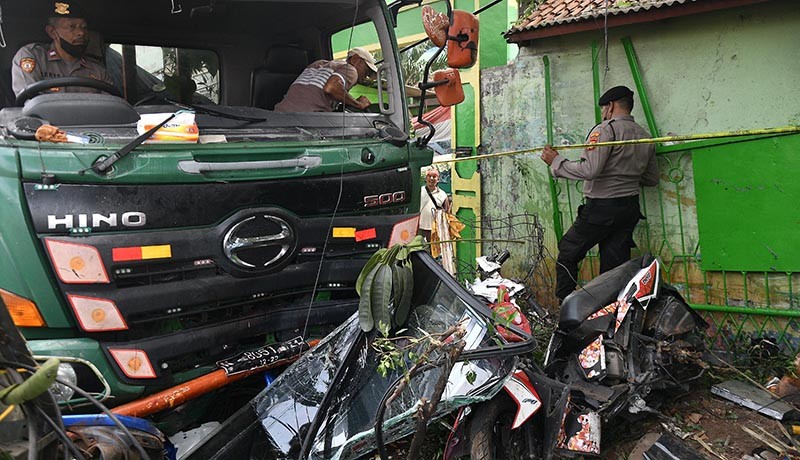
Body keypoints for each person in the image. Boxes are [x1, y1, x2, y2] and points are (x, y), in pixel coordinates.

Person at [540, 85, 659, 302]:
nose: (603, 113)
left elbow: (590, 170)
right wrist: (624, 175)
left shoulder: (605, 130)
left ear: (610, 106)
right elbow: (651, 179)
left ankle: (566, 308)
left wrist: (556, 162)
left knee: (568, 251)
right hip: (629, 208)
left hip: (602, 209)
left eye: (604, 108)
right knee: (613, 269)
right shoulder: (645, 135)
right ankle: (611, 314)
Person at [11, 2, 114, 97]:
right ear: (52, 32)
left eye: (84, 27)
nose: (81, 33)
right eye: (72, 26)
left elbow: (111, 108)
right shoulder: (33, 57)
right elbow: (30, 103)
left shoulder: (98, 70)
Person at [274, 47, 377, 113]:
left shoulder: (318, 64)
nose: (365, 77)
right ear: (355, 59)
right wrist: (358, 104)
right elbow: (330, 88)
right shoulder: (351, 69)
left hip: (278, 114)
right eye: (366, 71)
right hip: (305, 121)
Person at [418, 168, 449, 242]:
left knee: (433, 251)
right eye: (429, 176)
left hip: (435, 229)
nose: (431, 178)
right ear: (426, 178)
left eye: (434, 176)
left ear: (438, 179)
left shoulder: (443, 195)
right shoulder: (419, 191)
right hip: (418, 228)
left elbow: (446, 213)